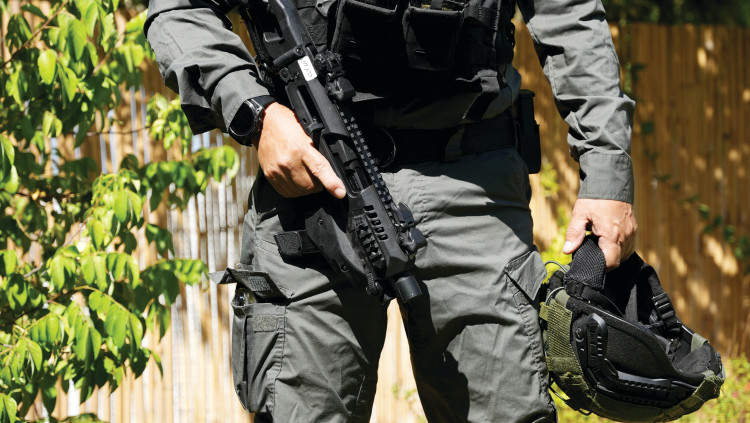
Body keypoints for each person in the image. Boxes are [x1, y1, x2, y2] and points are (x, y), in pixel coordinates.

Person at [145, 0, 638, 421]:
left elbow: (568, 13)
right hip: (314, 180)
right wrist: (257, 112)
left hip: (472, 182)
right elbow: (179, 9)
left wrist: (607, 168)